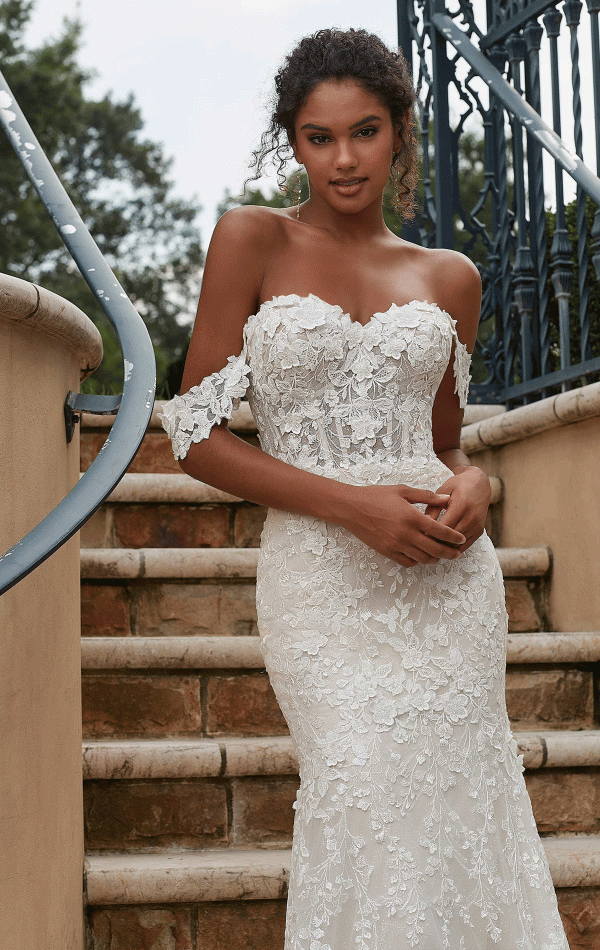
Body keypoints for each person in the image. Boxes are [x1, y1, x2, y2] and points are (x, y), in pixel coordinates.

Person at [159, 27, 569, 950]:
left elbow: (447, 447)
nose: (344, 159)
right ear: (292, 142)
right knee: (360, 790)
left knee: (458, 817)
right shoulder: (252, 237)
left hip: (445, 586)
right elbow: (193, 435)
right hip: (321, 583)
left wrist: (480, 486)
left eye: (366, 131)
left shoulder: (451, 277)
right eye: (319, 137)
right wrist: (352, 507)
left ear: (401, 135)